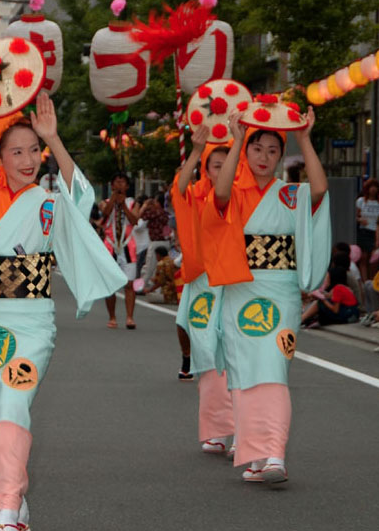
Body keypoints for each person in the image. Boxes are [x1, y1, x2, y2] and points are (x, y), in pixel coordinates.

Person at [0, 92, 126, 531]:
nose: (26, 158)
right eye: (15, 151)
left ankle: (5, 503)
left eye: (32, 150)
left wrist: (54, 137)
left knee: (13, 399)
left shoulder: (48, 201)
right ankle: (13, 496)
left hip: (35, 323)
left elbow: (83, 196)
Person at [203, 105, 330, 486]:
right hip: (241, 290)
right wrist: (237, 137)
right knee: (243, 374)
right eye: (257, 149)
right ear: (246, 152)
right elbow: (220, 191)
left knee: (274, 369)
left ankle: (275, 453)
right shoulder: (235, 193)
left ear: (281, 156)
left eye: (273, 151)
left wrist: (305, 137)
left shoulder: (291, 195)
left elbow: (321, 189)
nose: (264, 157)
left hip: (281, 293)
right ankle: (256, 455)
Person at [171, 125, 235, 452]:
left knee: (239, 352)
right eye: (215, 165)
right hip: (204, 282)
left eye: (228, 165)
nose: (221, 171)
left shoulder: (242, 195)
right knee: (208, 352)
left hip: (238, 280)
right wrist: (196, 150)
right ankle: (216, 429)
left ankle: (246, 429)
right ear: (206, 168)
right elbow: (178, 188)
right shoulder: (196, 193)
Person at [100, 172, 140, 329]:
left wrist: (123, 205)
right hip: (110, 246)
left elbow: (134, 220)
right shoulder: (105, 202)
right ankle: (112, 317)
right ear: (112, 186)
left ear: (127, 186)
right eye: (117, 182)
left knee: (129, 284)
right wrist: (114, 200)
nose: (120, 185)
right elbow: (105, 215)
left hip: (127, 246)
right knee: (110, 284)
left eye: (123, 183)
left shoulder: (132, 203)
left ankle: (130, 317)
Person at [302, 256, 359, 327]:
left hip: (348, 315)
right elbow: (329, 297)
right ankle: (306, 319)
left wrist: (323, 300)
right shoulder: (342, 288)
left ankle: (302, 319)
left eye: (328, 278)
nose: (327, 280)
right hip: (351, 314)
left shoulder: (338, 289)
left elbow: (335, 310)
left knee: (320, 304)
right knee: (320, 304)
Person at [140, 196, 170, 288]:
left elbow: (141, 216)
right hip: (166, 242)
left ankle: (142, 286)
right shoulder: (165, 213)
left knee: (149, 266)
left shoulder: (155, 213)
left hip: (156, 242)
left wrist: (145, 206)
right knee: (160, 267)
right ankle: (156, 288)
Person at [355, 178, 379, 281]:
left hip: (375, 232)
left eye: (375, 187)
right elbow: (356, 216)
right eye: (371, 187)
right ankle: (365, 280)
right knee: (363, 257)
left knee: (374, 259)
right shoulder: (361, 201)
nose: (373, 189)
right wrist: (360, 220)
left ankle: (372, 279)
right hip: (364, 231)